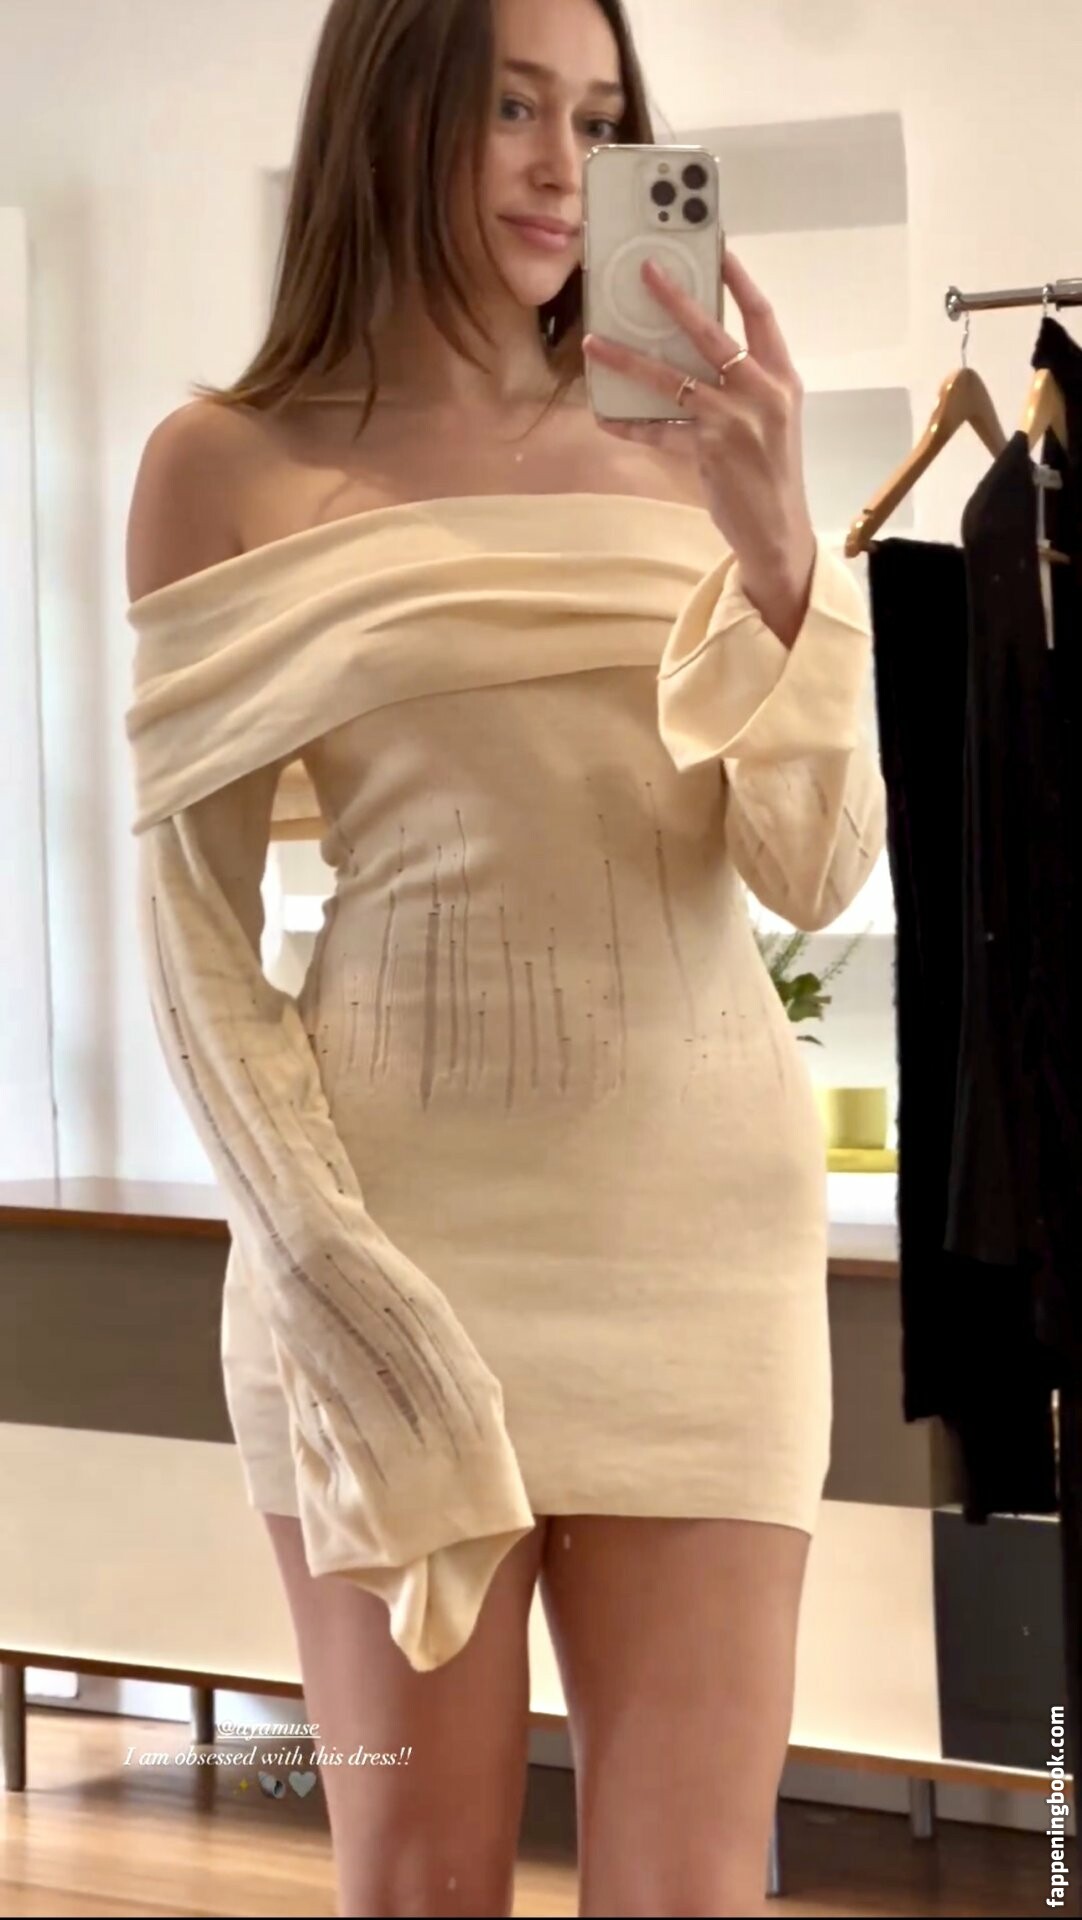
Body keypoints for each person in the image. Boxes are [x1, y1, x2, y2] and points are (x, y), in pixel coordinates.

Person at [123, 0, 886, 1913]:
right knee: (417, 1883)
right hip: (385, 1257)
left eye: (602, 119)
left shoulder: (696, 452)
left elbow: (812, 870)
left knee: (690, 1889)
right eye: (512, 111)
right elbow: (195, 934)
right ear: (389, 118)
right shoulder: (223, 465)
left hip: (699, 1257)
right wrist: (327, 1272)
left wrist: (780, 550)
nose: (565, 169)